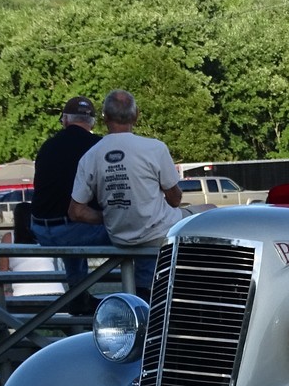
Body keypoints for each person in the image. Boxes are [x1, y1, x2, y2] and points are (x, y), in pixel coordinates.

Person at [69, 89, 207, 295]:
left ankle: (143, 294)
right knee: (208, 211)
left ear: (104, 117)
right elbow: (176, 199)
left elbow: (76, 211)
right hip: (157, 234)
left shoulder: (91, 156)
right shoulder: (154, 148)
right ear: (136, 115)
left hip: (119, 236)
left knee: (148, 236)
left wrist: (110, 216)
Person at [30, 96, 112, 313]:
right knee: (134, 230)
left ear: (65, 119)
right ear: (92, 122)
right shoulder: (98, 146)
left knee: (75, 222)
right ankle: (141, 293)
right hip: (70, 229)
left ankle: (78, 293)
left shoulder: (47, 146)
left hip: (40, 228)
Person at [2, 202, 66, 301]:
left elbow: (3, 271)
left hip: (23, 294)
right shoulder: (45, 235)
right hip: (55, 292)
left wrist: (6, 290)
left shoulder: (9, 238)